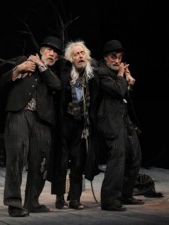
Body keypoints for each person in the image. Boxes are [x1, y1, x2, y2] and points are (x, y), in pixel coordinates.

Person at [0, 36, 63, 217]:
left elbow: (56, 86)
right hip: (20, 113)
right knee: (16, 158)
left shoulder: (52, 74)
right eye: (50, 50)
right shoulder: (23, 62)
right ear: (41, 50)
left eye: (56, 54)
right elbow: (2, 81)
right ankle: (14, 203)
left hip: (43, 121)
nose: (53, 54)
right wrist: (20, 68)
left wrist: (40, 65)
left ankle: (32, 202)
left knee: (41, 162)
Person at [49, 40, 100, 210]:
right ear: (71, 58)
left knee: (78, 162)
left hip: (82, 124)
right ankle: (59, 197)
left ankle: (75, 198)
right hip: (65, 122)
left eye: (82, 53)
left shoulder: (92, 74)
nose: (80, 56)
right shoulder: (65, 73)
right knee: (62, 161)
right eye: (76, 54)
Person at [97, 40, 143, 211]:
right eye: (113, 57)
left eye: (120, 57)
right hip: (110, 121)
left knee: (135, 157)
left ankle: (126, 194)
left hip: (124, 120)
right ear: (105, 58)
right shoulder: (101, 72)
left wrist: (129, 82)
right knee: (117, 159)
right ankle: (110, 201)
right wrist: (122, 74)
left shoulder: (118, 74)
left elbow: (123, 95)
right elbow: (116, 91)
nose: (117, 60)